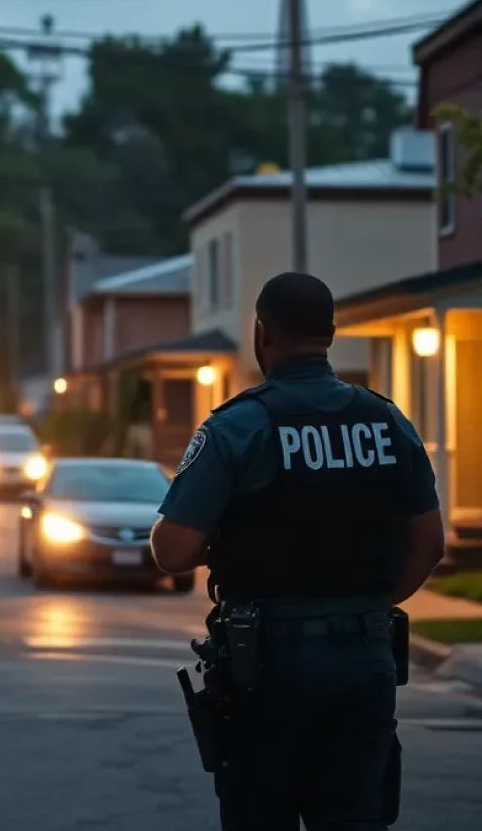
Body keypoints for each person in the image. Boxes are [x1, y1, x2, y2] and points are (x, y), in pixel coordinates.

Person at [151, 272, 445, 830]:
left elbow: (172, 548)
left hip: (270, 664)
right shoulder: (387, 420)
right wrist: (365, 604)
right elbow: (429, 544)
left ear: (263, 332)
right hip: (367, 656)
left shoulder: (239, 426)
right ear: (331, 333)